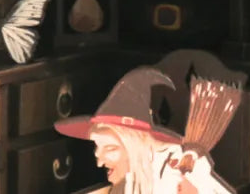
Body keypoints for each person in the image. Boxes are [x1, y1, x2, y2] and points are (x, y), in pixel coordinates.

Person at [54, 66, 234, 194]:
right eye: (97, 148)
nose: (99, 162)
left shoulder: (177, 172)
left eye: (110, 149)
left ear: (134, 144)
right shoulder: (132, 180)